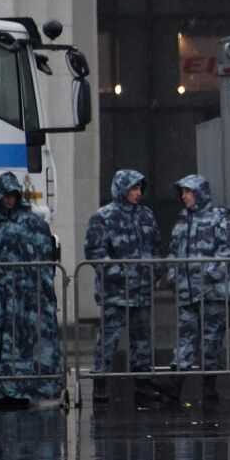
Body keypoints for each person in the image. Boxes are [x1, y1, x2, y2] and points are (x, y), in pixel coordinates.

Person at [0, 171, 63, 408]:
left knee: (22, 343)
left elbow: (45, 259)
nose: (9, 200)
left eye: (13, 195)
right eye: (5, 195)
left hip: (23, 298)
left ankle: (20, 387)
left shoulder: (32, 224)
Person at [84, 169, 166, 406]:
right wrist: (122, 274)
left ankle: (143, 382)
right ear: (122, 189)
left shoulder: (146, 215)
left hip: (141, 290)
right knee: (109, 338)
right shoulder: (103, 217)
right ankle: (100, 382)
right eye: (133, 188)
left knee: (142, 339)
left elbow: (156, 247)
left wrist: (155, 272)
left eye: (140, 188)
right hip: (115, 292)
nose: (138, 193)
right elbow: (95, 253)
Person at [166, 174, 230, 403]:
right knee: (186, 337)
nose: (184, 196)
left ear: (199, 193)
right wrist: (172, 274)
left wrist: (209, 274)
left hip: (212, 293)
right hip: (188, 291)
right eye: (183, 192)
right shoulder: (182, 222)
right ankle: (175, 384)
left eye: (188, 191)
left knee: (212, 339)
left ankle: (209, 385)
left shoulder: (219, 218)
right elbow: (173, 252)